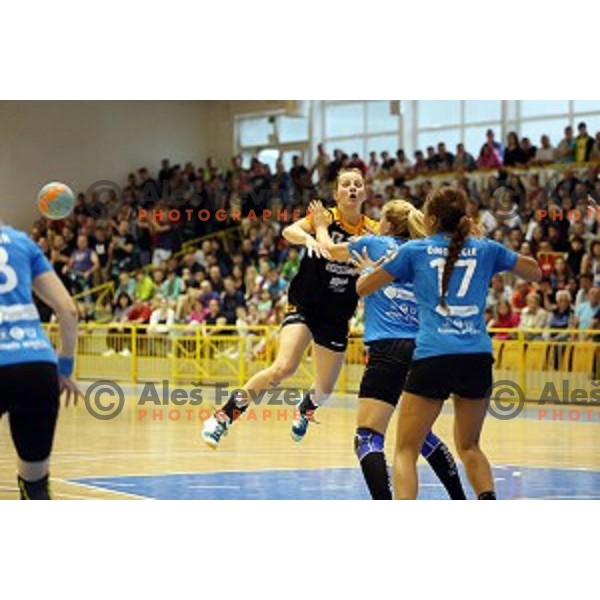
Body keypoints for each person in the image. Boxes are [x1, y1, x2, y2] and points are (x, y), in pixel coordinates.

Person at [354, 186, 541, 499]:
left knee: (405, 450)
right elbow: (533, 271)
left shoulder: (414, 252)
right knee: (470, 447)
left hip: (433, 356)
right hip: (477, 357)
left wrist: (372, 269)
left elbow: (362, 288)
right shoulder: (486, 249)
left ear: (430, 220)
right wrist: (486, 245)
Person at [201, 168, 378, 448]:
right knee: (283, 367)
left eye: (358, 184)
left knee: (325, 389)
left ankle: (306, 408)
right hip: (306, 303)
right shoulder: (325, 217)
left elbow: (387, 256)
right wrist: (307, 237)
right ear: (336, 194)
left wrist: (369, 266)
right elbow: (288, 230)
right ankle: (223, 416)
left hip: (337, 313)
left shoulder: (373, 230)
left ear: (365, 193)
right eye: (346, 184)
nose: (352, 188)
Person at [311, 199, 466, 500]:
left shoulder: (375, 245)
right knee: (420, 437)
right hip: (426, 352)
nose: (376, 223)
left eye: (380, 219)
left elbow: (328, 250)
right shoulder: (425, 254)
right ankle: (460, 499)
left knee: (367, 437)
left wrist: (319, 226)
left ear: (389, 225)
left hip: (389, 349)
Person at [0, 222, 81, 499]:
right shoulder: (21, 242)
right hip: (37, 366)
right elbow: (68, 311)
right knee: (35, 483)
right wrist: (65, 369)